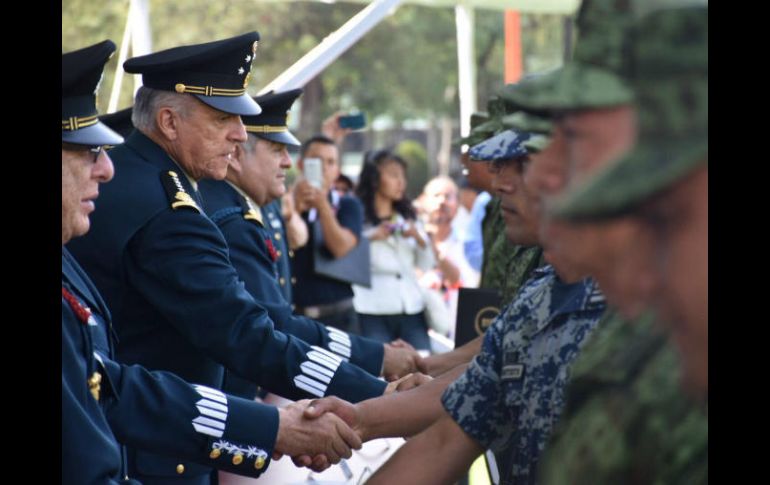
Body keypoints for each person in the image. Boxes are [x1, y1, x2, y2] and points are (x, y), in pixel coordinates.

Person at [66, 32, 399, 485]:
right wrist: (379, 395)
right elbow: (246, 334)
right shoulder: (167, 211)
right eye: (223, 118)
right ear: (169, 122)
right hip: (156, 457)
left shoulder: (152, 185)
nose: (240, 134)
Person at [198, 90, 422, 401]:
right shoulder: (233, 218)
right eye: (277, 150)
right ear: (236, 155)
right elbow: (274, 325)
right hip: (230, 391)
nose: (287, 162)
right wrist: (377, 377)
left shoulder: (251, 205)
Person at [352, 149, 436, 351]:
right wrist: (371, 236)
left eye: (403, 176)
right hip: (371, 308)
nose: (401, 182)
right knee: (379, 365)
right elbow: (345, 256)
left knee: (422, 360)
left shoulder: (408, 217)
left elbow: (426, 264)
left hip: (410, 306)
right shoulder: (357, 216)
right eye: (393, 175)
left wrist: (418, 237)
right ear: (374, 179)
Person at [291, 135, 365, 333]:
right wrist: (294, 210)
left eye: (331, 162)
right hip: (296, 316)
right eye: (316, 160)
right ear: (301, 164)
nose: (324, 167)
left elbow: (340, 248)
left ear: (337, 171)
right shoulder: (285, 204)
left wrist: (323, 205)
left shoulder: (348, 205)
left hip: (339, 315)